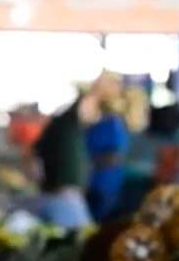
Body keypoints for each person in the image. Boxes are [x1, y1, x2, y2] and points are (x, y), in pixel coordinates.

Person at [34, 72, 120, 230]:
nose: (96, 115)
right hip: (63, 198)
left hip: (63, 197)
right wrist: (98, 90)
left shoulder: (69, 127)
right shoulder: (67, 124)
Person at [85, 111, 130, 221]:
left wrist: (90, 163)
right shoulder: (93, 126)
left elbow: (114, 158)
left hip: (106, 186)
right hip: (92, 185)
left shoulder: (113, 125)